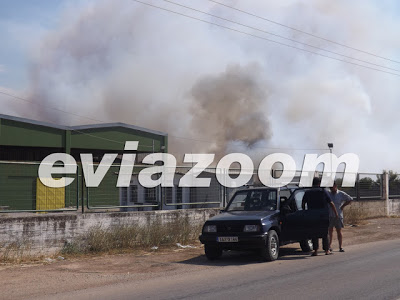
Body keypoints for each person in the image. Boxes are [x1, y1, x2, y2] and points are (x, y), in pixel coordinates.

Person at [302, 177, 339, 256]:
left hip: (312, 215)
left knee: (314, 232)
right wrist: (336, 213)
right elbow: (331, 203)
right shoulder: (323, 191)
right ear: (319, 183)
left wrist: (304, 212)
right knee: (325, 232)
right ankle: (326, 250)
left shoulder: (308, 192)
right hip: (323, 215)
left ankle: (315, 251)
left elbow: (303, 203)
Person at [328, 181, 353, 252]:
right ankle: (329, 246)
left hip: (338, 215)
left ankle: (340, 246)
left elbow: (350, 199)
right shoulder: (328, 194)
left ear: (335, 186)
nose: (331, 189)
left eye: (332, 187)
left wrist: (343, 206)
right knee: (330, 231)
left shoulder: (341, 194)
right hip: (330, 215)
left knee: (339, 231)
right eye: (330, 187)